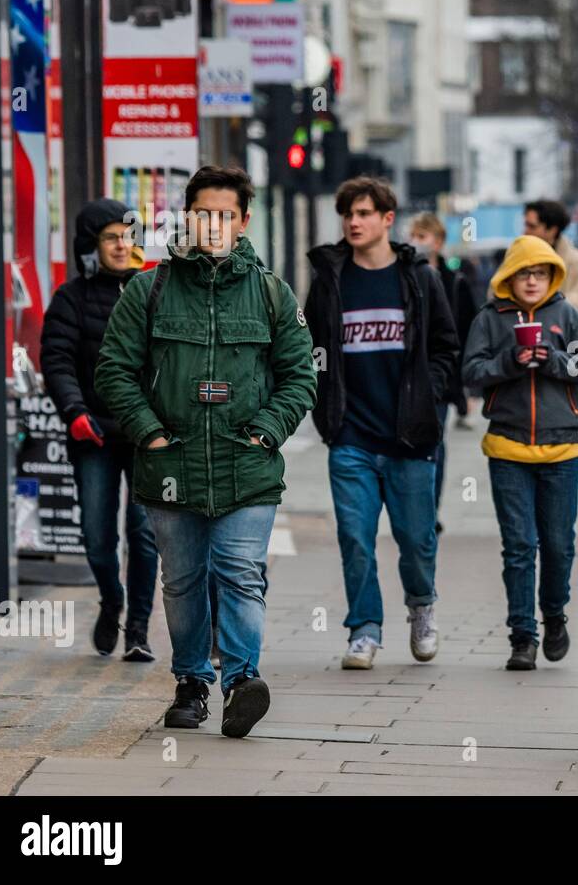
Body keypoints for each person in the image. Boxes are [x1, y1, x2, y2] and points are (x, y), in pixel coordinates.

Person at [95, 165, 317, 737]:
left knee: (241, 574)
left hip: (248, 466)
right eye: (203, 214)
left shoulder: (272, 293)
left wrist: (266, 430)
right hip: (170, 466)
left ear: (244, 221)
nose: (213, 225)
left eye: (225, 215)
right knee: (184, 579)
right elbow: (113, 370)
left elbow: (300, 376)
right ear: (187, 217)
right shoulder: (150, 289)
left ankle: (242, 681)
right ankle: (191, 684)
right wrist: (149, 432)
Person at [305, 178, 460, 671]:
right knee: (355, 537)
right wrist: (324, 402)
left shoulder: (418, 278)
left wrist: (429, 394)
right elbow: (312, 350)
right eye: (348, 213)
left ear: (387, 219)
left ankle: (421, 606)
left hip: (409, 436)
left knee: (416, 540)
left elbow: (445, 347)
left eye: (365, 213)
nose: (354, 222)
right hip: (350, 435)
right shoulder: (330, 280)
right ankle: (364, 630)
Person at [462, 235, 578, 671]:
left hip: (561, 449)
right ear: (509, 278)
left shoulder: (568, 314)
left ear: (552, 276)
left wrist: (552, 359)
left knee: (558, 546)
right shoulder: (489, 318)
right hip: (507, 447)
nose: (533, 281)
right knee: (519, 546)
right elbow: (471, 372)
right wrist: (512, 361)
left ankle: (554, 615)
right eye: (524, 274)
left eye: (540, 273)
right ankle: (523, 637)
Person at [41, 198, 159, 661]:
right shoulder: (70, 298)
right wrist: (73, 411)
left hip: (148, 433)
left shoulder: (155, 292)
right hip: (92, 434)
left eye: (128, 236)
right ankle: (112, 600)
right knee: (95, 535)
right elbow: (57, 359)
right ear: (90, 245)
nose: (121, 245)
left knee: (145, 535)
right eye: (111, 237)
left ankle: (138, 629)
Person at [409, 211, 479, 527]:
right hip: (408, 376)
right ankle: (416, 507)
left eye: (423, 236)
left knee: (433, 443)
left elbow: (466, 333)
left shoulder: (455, 282)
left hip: (441, 379)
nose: (417, 242)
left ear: (438, 242)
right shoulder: (404, 274)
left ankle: (429, 510)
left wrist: (466, 386)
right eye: (414, 235)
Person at [524, 199, 578, 331]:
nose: (525, 231)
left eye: (532, 226)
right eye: (526, 225)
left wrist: (541, 306)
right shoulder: (519, 261)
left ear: (552, 230)